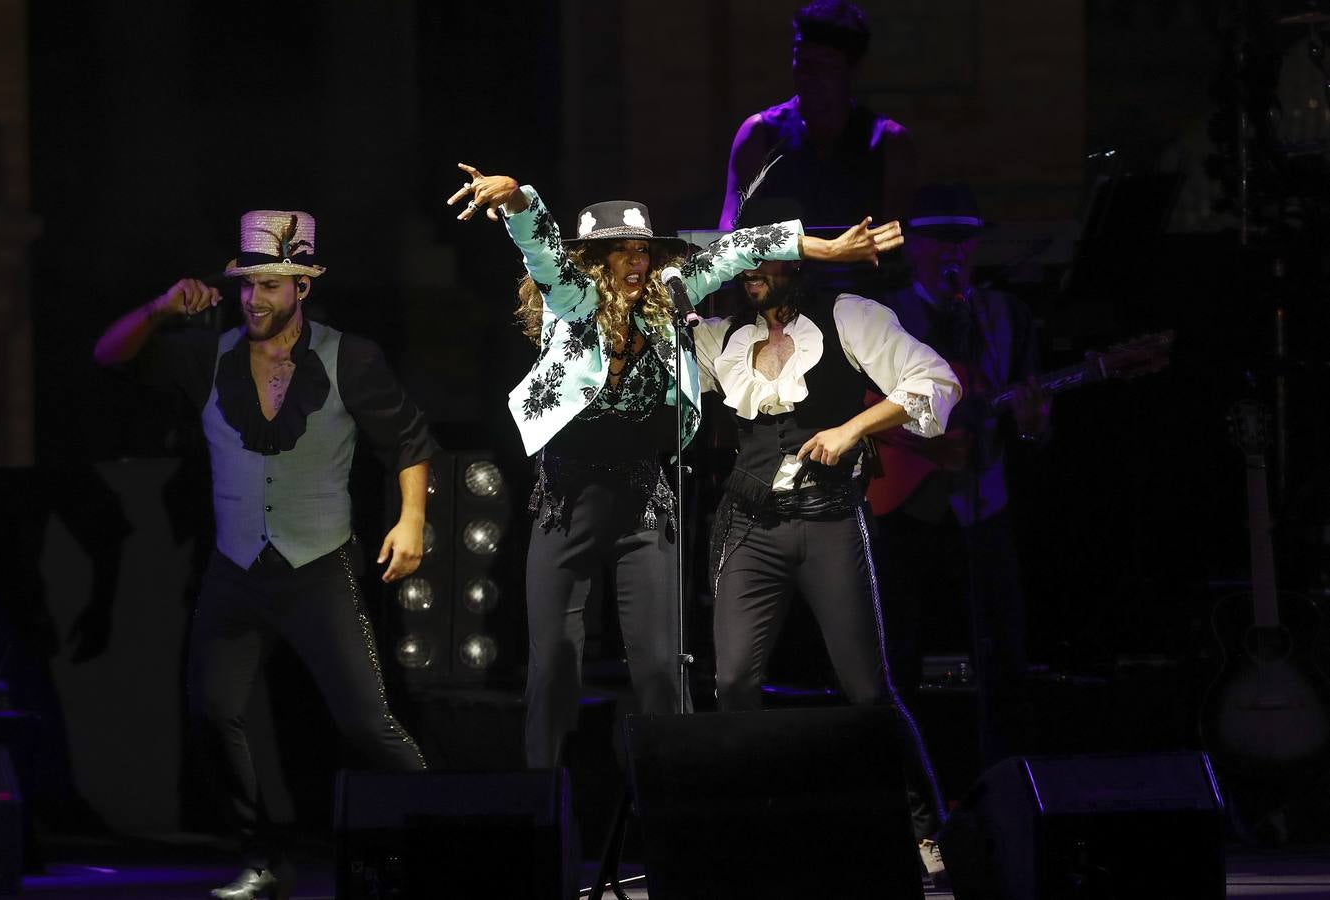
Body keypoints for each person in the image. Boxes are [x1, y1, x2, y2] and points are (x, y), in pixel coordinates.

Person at [446, 163, 901, 770]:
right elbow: (540, 245)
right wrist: (517, 198)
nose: (635, 263)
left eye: (642, 251)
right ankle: (544, 818)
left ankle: (671, 814)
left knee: (663, 670)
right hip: (567, 501)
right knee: (553, 666)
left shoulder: (667, 298)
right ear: (592, 262)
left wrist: (827, 247)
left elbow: (741, 248)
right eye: (620, 253)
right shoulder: (570, 296)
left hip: (642, 502)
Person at [93, 210, 433, 900]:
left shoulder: (350, 356)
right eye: (248, 286)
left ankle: (447, 839)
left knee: (367, 724)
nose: (256, 300)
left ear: (302, 289)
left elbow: (410, 441)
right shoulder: (204, 355)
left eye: (272, 286)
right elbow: (109, 354)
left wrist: (412, 520)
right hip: (235, 567)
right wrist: (161, 308)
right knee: (212, 710)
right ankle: (261, 858)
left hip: (320, 561)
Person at [691, 199, 961, 881]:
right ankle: (749, 830)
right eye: (746, 258)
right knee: (731, 682)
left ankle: (926, 828)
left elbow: (935, 381)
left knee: (866, 689)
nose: (753, 270)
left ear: (801, 262)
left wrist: (854, 427)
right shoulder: (716, 335)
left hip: (831, 520)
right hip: (746, 527)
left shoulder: (847, 318)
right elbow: (677, 266)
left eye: (770, 257)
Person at [867, 183, 1049, 772]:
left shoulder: (1003, 316)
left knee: (1002, 643)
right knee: (898, 647)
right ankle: (903, 781)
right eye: (939, 240)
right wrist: (930, 442)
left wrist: (1030, 421)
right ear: (912, 246)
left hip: (981, 503)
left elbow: (1029, 418)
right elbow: (864, 409)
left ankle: (1007, 776)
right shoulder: (885, 315)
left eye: (963, 241)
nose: (952, 253)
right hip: (905, 504)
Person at [719, 0, 917, 231]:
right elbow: (729, 229)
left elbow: (897, 242)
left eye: (822, 65)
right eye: (801, 61)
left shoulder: (889, 142)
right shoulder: (758, 134)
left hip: (862, 267)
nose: (806, 75)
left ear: (853, 69)